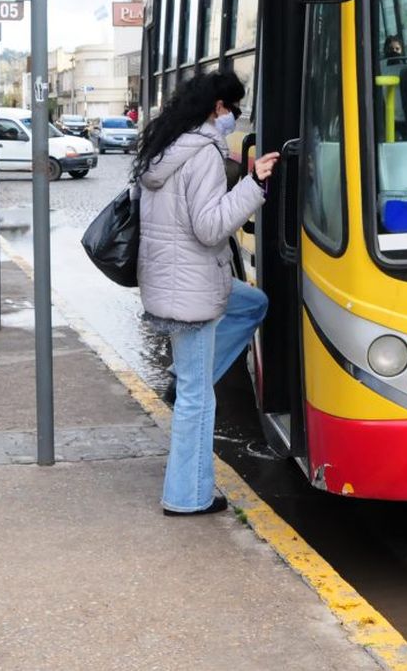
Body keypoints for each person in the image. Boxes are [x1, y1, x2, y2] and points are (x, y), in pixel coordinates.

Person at [133, 72, 278, 516]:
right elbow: (210, 227)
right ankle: (186, 496)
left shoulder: (168, 147)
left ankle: (189, 374)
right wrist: (254, 184)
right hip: (190, 291)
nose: (235, 117)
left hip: (176, 281)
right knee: (198, 398)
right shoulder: (203, 156)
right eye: (234, 108)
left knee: (253, 303)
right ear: (218, 107)